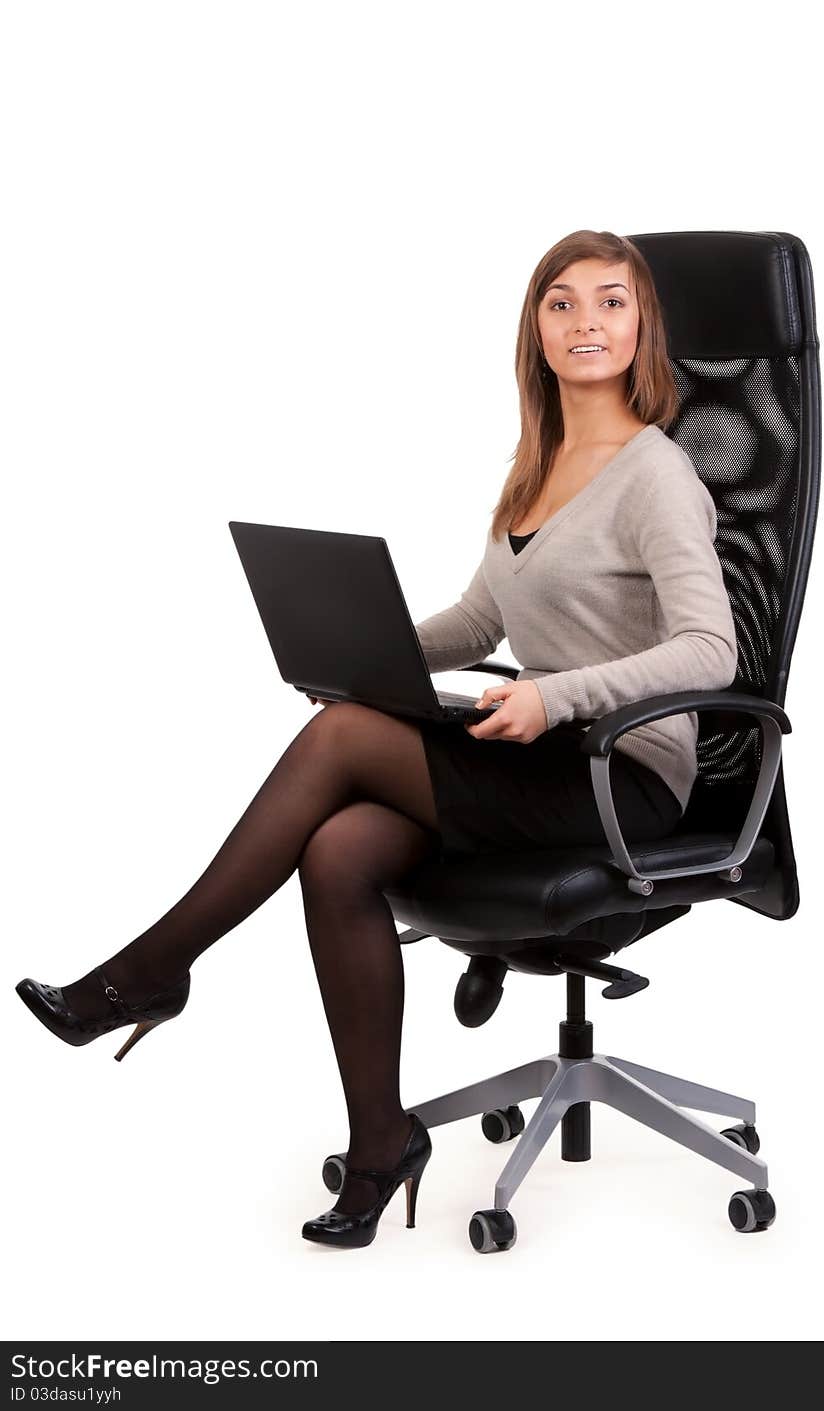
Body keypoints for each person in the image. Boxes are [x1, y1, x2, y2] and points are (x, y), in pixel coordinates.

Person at [15, 229, 737, 1251]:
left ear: (642, 326)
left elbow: (712, 648)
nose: (586, 322)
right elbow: (479, 622)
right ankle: (379, 1143)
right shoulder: (536, 469)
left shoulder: (655, 473)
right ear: (534, 329)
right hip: (536, 762)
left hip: (620, 777)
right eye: (561, 303)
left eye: (611, 303)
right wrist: (367, 649)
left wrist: (559, 696)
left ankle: (151, 970)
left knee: (348, 738)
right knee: (340, 845)